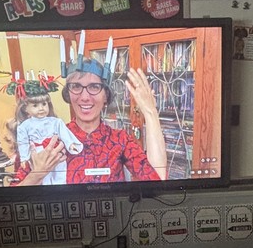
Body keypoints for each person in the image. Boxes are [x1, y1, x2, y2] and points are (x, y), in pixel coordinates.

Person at [19, 53, 166, 185]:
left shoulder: (120, 140)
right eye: (76, 86)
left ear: (106, 96)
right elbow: (14, 199)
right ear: (68, 94)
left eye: (94, 87)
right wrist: (36, 175)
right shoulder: (52, 141)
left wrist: (150, 113)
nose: (84, 97)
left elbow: (157, 181)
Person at [6, 90, 83, 186]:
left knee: (60, 171)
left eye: (44, 104)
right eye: (35, 106)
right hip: (38, 153)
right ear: (26, 109)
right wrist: (24, 158)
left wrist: (70, 144)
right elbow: (23, 142)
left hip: (56, 151)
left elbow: (64, 134)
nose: (41, 108)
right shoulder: (24, 126)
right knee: (44, 176)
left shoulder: (56, 122)